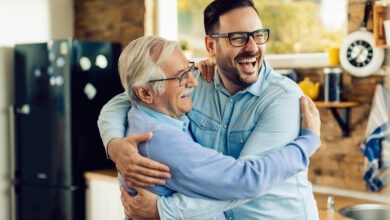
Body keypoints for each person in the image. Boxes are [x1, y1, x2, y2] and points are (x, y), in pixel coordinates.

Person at [98, 0, 321, 219]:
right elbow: (126, 99)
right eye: (238, 38)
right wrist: (114, 144)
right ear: (211, 46)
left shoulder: (283, 98)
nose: (252, 47)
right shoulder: (191, 81)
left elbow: (246, 182)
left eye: (258, 35)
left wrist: (165, 210)